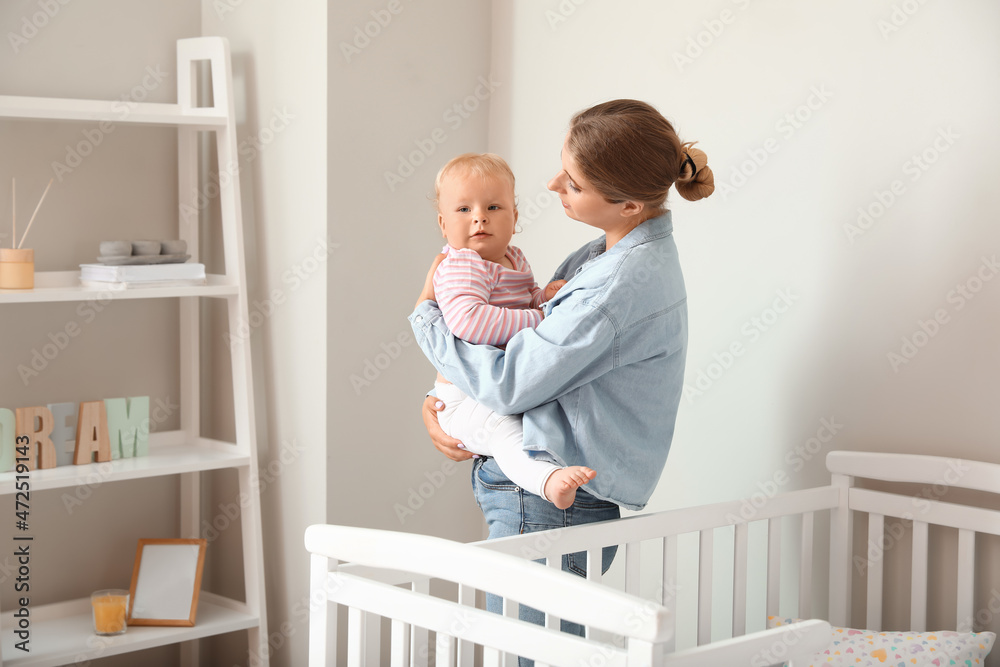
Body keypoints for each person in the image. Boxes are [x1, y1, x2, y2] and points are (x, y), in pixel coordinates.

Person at [410, 99, 715, 657]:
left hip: (547, 505)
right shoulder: (606, 254)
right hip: (542, 495)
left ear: (627, 203)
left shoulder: (616, 286)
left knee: (532, 654)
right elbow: (521, 349)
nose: (552, 185)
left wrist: (426, 317)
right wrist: (441, 402)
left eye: (572, 183)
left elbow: (507, 382)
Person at [429, 152, 598, 510]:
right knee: (506, 433)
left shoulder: (514, 258)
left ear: (515, 218)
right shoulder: (462, 264)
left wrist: (542, 296)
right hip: (464, 395)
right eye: (464, 210)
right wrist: (541, 316)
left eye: (493, 207)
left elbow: (523, 300)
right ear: (444, 225)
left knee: (519, 427)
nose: (479, 217)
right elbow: (470, 322)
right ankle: (547, 481)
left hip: (491, 385)